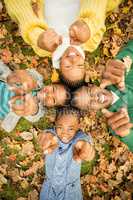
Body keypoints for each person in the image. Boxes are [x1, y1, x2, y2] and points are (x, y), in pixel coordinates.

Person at [71, 40, 133, 152]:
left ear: (92, 85)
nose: (94, 98)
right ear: (92, 111)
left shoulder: (115, 76)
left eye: (90, 93)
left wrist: (122, 62)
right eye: (90, 102)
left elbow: (130, 50)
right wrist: (126, 134)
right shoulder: (117, 122)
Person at [4, 0, 122, 56]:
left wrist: (37, 36)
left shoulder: (43, 47)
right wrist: (89, 24)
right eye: (79, 65)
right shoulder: (91, 41)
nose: (73, 59)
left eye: (68, 66)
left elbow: (17, 5)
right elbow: (101, 6)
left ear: (57, 63)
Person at [38, 106, 95, 200]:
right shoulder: (52, 136)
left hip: (71, 192)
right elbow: (48, 134)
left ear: (78, 126)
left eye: (70, 129)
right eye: (60, 127)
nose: (64, 133)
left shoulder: (78, 139)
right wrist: (45, 138)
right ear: (55, 123)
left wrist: (86, 148)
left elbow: (84, 142)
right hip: (49, 189)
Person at [0, 61, 70, 132]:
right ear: (51, 84)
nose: (49, 94)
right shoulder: (38, 82)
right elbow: (34, 74)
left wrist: (33, 108)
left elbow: (34, 116)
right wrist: (41, 72)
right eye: (53, 89)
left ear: (52, 106)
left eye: (53, 99)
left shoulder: (39, 110)